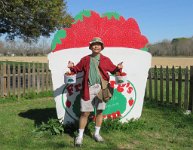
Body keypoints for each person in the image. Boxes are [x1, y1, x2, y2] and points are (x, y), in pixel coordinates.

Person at [67, 37, 123, 146]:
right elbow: (77, 69)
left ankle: (97, 134)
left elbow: (113, 70)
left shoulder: (106, 59)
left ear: (102, 47)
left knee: (100, 111)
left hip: (102, 88)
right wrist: (72, 67)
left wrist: (118, 68)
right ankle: (80, 136)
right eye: (94, 44)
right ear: (91, 47)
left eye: (98, 44)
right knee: (85, 113)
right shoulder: (85, 59)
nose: (96, 46)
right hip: (88, 88)